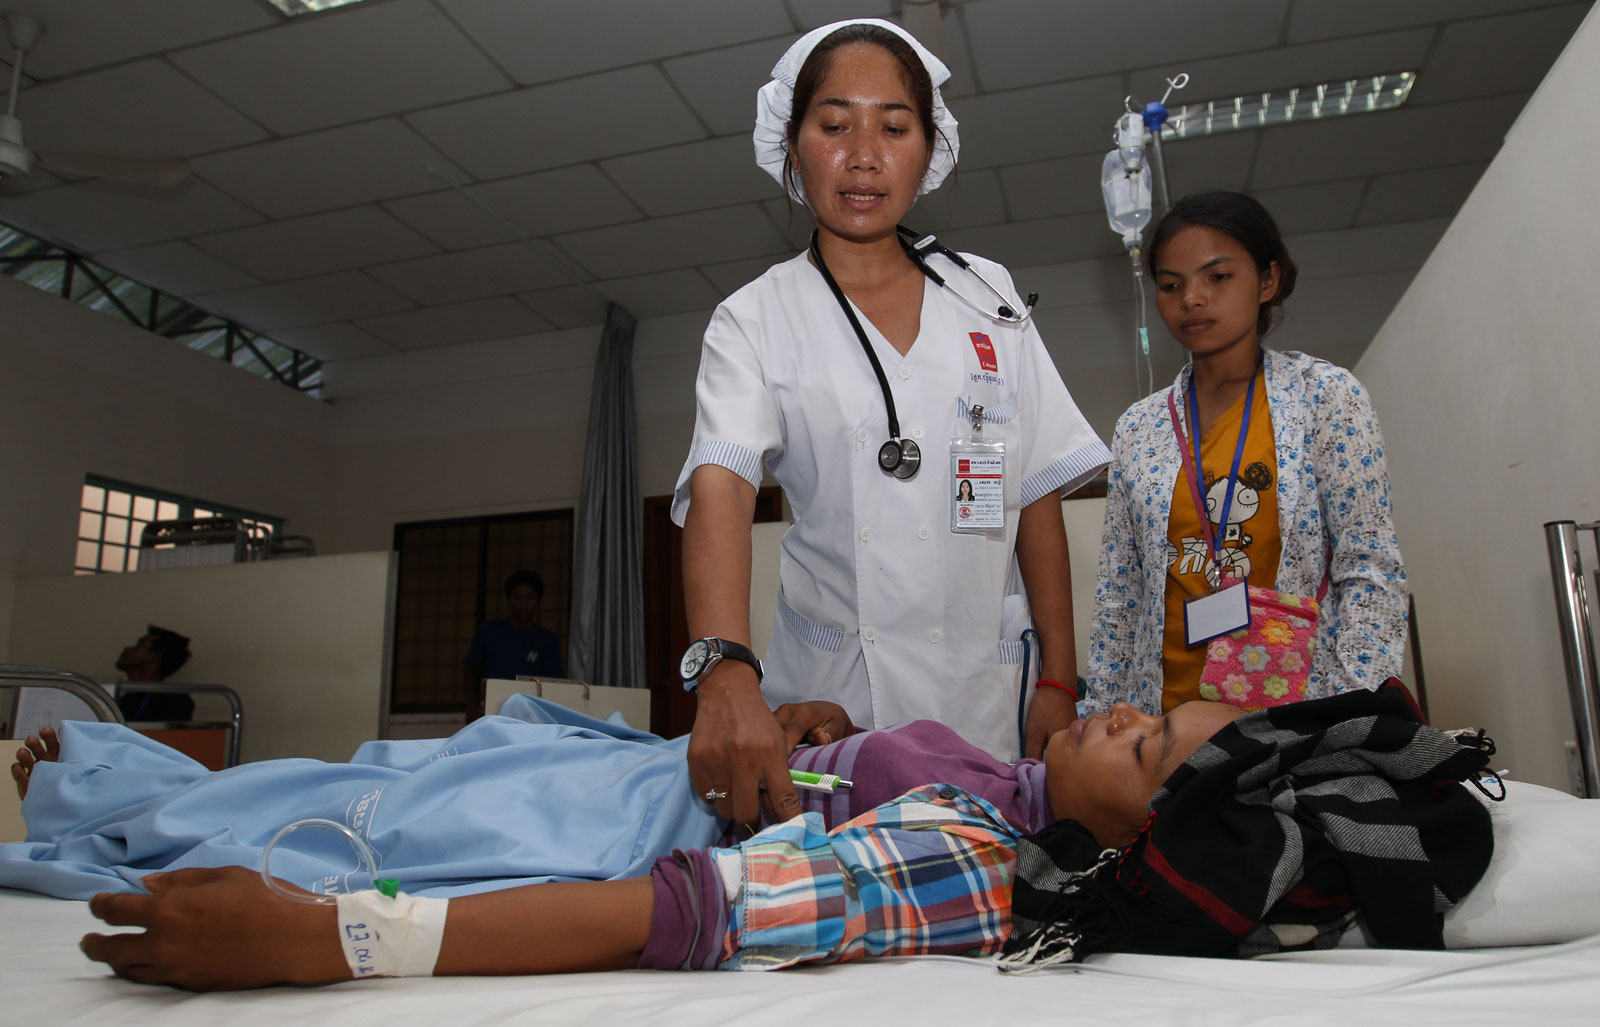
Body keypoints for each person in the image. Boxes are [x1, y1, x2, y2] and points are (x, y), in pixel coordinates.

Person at [8, 684, 1492, 990]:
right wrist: (814, 727)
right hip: (635, 760)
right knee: (355, 762)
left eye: (1147, 744)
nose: (1112, 713)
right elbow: (849, 774)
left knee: (330, 818)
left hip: (610, 814)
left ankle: (55, 780)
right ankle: (72, 762)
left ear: (1166, 835)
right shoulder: (1006, 784)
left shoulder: (977, 856)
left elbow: (678, 908)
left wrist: (329, 938)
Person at [676, 18, 1111, 827]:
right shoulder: (755, 318)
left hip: (988, 690)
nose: (864, 154)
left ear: (930, 145)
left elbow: (1037, 492)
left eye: (894, 126)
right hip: (832, 703)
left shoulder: (989, 296)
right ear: (794, 145)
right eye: (835, 125)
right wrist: (725, 667)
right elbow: (722, 487)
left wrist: (1058, 679)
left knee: (984, 894)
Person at [1087, 192, 1408, 716]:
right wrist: (1104, 719)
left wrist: (1347, 716)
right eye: (1171, 285)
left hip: (1293, 716)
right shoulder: (1139, 429)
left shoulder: (1325, 397)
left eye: (1217, 277)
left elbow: (1369, 570)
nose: (1191, 298)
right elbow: (1118, 598)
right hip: (1164, 721)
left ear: (1268, 281)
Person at [461, 569, 563, 720]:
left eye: (530, 597)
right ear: (509, 600)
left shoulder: (547, 640)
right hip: (489, 714)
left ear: (538, 601)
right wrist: (472, 707)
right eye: (517, 597)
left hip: (531, 717)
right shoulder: (489, 631)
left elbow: (554, 685)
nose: (523, 603)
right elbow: (469, 670)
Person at [115, 625, 193, 722]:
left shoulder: (175, 702)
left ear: (154, 656)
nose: (127, 648)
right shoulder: (121, 698)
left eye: (139, 645)